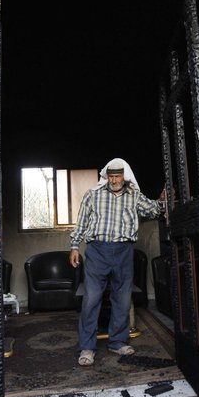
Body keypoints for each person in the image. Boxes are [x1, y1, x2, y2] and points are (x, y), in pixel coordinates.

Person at [69, 157, 166, 366]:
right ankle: (87, 347)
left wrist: (163, 201)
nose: (114, 180)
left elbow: (153, 210)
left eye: (118, 176)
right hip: (97, 251)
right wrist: (75, 247)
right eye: (111, 176)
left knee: (122, 298)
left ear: (125, 176)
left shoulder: (133, 196)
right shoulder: (92, 195)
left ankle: (117, 342)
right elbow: (82, 222)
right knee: (91, 299)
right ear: (106, 177)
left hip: (123, 251)